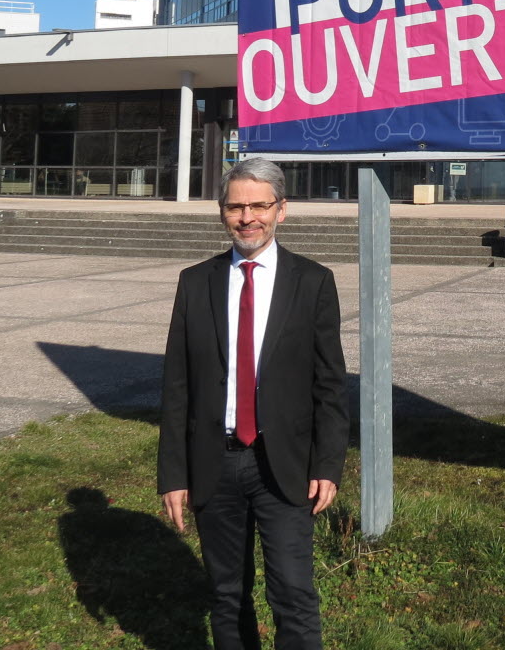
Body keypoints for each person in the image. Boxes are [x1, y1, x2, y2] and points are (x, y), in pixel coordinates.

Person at [158, 158, 347, 650]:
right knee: (226, 596)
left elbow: (329, 384)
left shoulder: (313, 282)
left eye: (259, 206)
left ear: (281, 209)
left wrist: (327, 464)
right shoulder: (195, 282)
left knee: (293, 593)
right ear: (222, 211)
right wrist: (173, 473)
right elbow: (177, 385)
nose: (247, 218)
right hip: (213, 463)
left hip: (284, 464)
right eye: (235, 207)